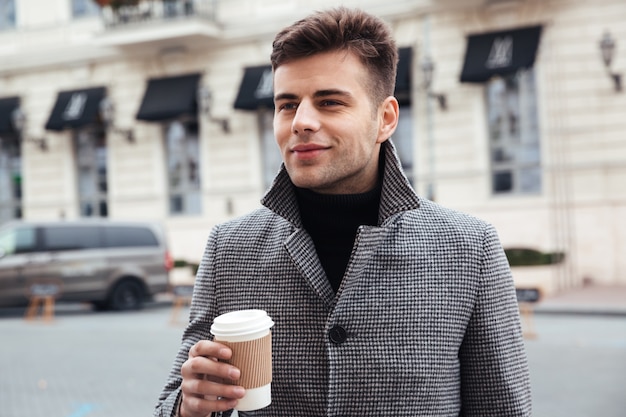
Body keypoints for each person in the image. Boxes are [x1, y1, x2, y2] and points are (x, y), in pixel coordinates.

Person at [155, 7, 532, 417]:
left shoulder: (469, 248)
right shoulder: (230, 248)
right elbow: (174, 399)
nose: (300, 122)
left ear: (384, 119)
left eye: (329, 102)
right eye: (287, 105)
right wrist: (187, 407)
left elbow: (504, 409)